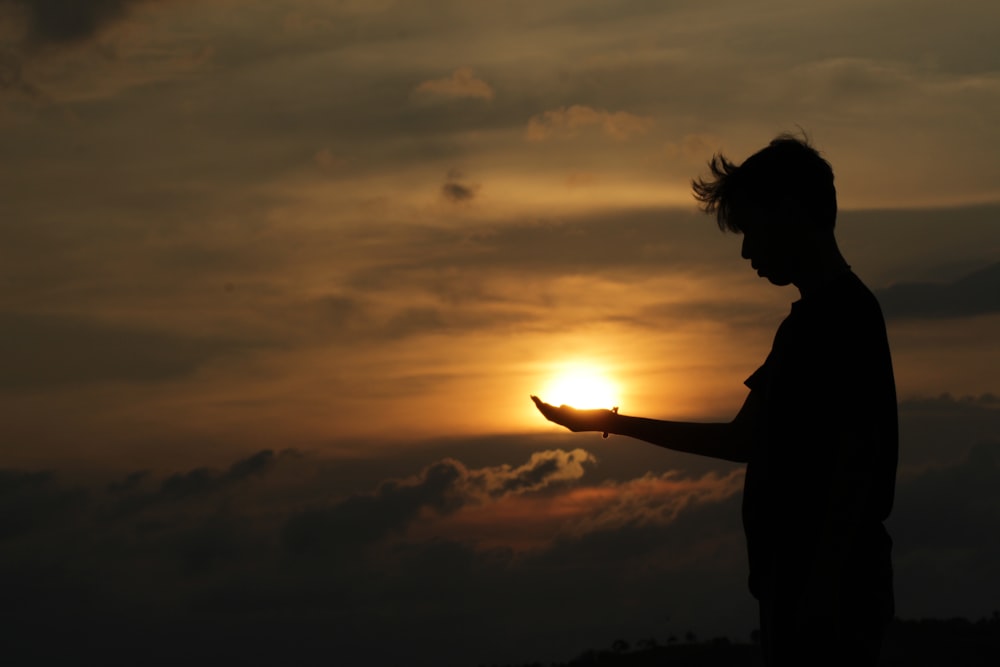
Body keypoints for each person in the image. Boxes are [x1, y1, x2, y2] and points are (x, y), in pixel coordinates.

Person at [532, 134, 897, 666]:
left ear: (791, 213)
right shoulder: (814, 323)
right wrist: (605, 423)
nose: (747, 250)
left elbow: (855, 471)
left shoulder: (837, 321)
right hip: (807, 591)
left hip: (826, 600)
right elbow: (743, 439)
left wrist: (819, 592)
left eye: (751, 229)